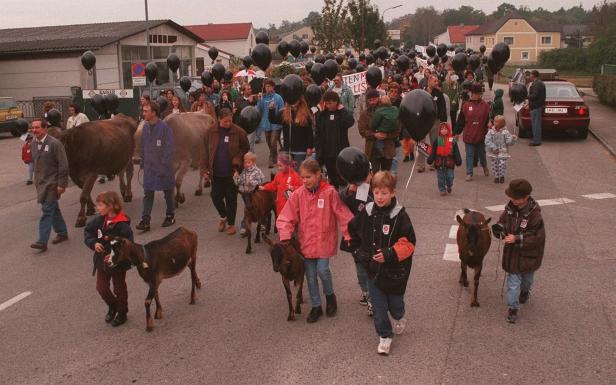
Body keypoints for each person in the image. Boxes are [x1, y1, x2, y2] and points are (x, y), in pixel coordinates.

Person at [277, 159, 353, 323]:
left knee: (323, 271)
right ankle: (316, 306)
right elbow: (286, 216)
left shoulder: (330, 192)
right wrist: (285, 236)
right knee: (310, 276)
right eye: (302, 178)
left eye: (308, 177)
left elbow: (343, 214)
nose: (305, 181)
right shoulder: (298, 194)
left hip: (324, 241)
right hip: (306, 243)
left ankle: (330, 296)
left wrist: (349, 235)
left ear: (318, 174)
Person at [348, 171, 416, 356]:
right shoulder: (367, 211)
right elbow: (353, 230)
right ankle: (384, 336)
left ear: (392, 193)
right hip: (373, 271)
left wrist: (389, 253)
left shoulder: (400, 215)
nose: (379, 197)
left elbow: (409, 244)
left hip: (395, 272)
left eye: (384, 193)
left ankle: (399, 316)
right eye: (376, 192)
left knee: (395, 305)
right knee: (379, 307)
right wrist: (357, 251)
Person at [492, 179, 546, 324]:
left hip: (529, 257)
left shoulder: (535, 215)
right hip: (513, 256)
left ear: (526, 197)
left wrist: (516, 239)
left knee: (526, 281)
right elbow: (502, 221)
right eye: (511, 197)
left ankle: (525, 292)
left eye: (515, 198)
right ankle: (513, 308)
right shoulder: (509, 209)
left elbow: (537, 237)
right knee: (513, 283)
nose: (512, 200)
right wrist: (499, 228)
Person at [83, 191, 133, 327]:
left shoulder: (123, 225)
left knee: (119, 288)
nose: (97, 208)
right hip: (102, 262)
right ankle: (113, 306)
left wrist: (114, 255)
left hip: (118, 263)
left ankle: (122, 311)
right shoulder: (99, 221)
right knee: (101, 288)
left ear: (111, 206)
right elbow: (88, 232)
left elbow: (128, 245)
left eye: (100, 205)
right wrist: (93, 243)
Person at [202, 108, 250, 235]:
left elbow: (246, 147)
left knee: (231, 198)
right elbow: (205, 152)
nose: (228, 124)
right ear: (219, 120)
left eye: (230, 121)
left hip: (231, 173)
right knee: (215, 196)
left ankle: (231, 224)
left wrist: (238, 157)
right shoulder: (210, 132)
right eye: (225, 122)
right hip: (216, 172)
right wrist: (205, 170)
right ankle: (223, 216)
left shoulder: (238, 131)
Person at [29, 118, 69, 252]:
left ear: (45, 129)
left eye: (37, 128)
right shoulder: (33, 144)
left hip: (52, 184)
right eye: (33, 128)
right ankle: (62, 232)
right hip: (41, 184)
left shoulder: (55, 144)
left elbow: (63, 165)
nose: (34, 130)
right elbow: (35, 164)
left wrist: (61, 184)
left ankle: (42, 241)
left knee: (47, 211)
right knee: (53, 209)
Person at [136, 100, 176, 232]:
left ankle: (170, 215)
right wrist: (143, 162)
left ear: (154, 113)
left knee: (168, 192)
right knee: (148, 193)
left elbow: (170, 148)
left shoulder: (164, 127)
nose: (143, 113)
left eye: (146, 111)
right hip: (149, 167)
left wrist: (164, 164)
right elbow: (143, 146)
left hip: (163, 167)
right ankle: (145, 219)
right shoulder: (145, 127)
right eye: (143, 111)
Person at [340, 173, 374, 317]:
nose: (364, 178)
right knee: (360, 271)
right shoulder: (357, 190)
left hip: (372, 239)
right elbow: (342, 198)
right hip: (357, 240)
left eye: (367, 175)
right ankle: (365, 291)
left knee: (371, 270)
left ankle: (373, 301)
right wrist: (350, 189)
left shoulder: (374, 190)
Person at [315, 91, 355, 189]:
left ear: (336, 102)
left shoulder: (341, 113)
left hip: (341, 150)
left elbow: (350, 122)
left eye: (331, 103)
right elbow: (318, 133)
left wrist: (343, 110)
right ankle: (334, 196)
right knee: (332, 177)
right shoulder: (322, 115)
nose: (329, 105)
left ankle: (343, 197)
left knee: (342, 177)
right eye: (327, 103)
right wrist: (318, 149)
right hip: (327, 152)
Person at [455, 83, 491, 181]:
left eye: (477, 93)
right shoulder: (466, 105)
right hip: (469, 134)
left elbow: (488, 119)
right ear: (471, 93)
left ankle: (484, 166)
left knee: (482, 154)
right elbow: (461, 121)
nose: (475, 95)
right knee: (469, 154)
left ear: (480, 94)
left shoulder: (485, 106)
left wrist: (490, 126)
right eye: (474, 93)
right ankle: (469, 173)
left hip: (480, 134)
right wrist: (456, 132)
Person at [269, 96, 314, 167]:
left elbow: (309, 132)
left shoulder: (305, 114)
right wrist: (271, 109)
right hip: (287, 148)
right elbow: (273, 120)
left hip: (300, 149)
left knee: (297, 171)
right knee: (288, 172)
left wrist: (310, 147)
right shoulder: (284, 113)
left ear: (300, 100)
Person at [417, 74, 448, 173]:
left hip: (435, 121)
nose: (437, 83)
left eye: (437, 81)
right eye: (435, 81)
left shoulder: (438, 93)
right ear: (429, 81)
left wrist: (443, 122)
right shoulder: (421, 92)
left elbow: (443, 108)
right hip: (423, 121)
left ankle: (434, 163)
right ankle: (421, 165)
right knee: (421, 143)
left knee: (435, 143)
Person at [233, 152, 265, 237]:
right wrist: (236, 177)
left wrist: (252, 182)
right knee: (247, 208)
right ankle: (245, 225)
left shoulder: (257, 171)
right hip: (246, 194)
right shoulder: (244, 172)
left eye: (249, 162)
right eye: (245, 162)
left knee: (258, 207)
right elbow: (239, 183)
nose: (246, 164)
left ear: (253, 162)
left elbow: (261, 180)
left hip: (255, 192)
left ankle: (262, 222)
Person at [427, 122, 462, 196]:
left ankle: (449, 185)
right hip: (439, 162)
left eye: (445, 129)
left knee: (450, 176)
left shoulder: (452, 141)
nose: (443, 130)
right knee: (440, 177)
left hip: (449, 162)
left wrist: (458, 160)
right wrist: (430, 159)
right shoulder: (437, 140)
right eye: (442, 129)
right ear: (439, 130)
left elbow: (456, 151)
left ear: (448, 130)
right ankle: (442, 189)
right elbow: (433, 151)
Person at [256, 80, 284, 167]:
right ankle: (274, 155)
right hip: (266, 123)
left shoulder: (278, 97)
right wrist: (259, 100)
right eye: (266, 87)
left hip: (276, 124)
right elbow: (259, 109)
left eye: (269, 86)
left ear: (273, 87)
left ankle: (272, 159)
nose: (267, 88)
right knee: (268, 142)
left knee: (273, 142)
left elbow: (281, 111)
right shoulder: (263, 97)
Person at [369, 96, 400, 172]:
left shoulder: (379, 111)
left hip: (382, 130)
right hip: (393, 129)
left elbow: (374, 124)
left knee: (380, 135)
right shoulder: (395, 109)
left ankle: (380, 149)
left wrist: (374, 129)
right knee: (387, 170)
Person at [485, 115, 517, 184]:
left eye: (496, 122)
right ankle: (496, 177)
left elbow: (508, 142)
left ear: (501, 124)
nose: (494, 122)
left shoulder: (505, 132)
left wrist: (512, 139)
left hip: (503, 152)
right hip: (493, 152)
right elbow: (487, 141)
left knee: (502, 164)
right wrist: (493, 147)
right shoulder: (491, 132)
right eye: (494, 121)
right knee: (494, 165)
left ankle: (502, 176)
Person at [527, 70, 546, 146]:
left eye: (530, 75)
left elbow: (535, 95)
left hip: (536, 106)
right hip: (536, 106)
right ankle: (536, 139)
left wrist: (527, 96)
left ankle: (536, 141)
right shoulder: (538, 83)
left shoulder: (537, 84)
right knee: (535, 124)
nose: (529, 76)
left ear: (533, 75)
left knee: (536, 125)